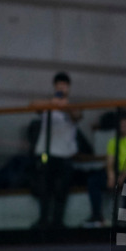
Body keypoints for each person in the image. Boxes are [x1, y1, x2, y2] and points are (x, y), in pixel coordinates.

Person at [31, 71, 82, 229]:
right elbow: (33, 105)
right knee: (44, 189)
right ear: (54, 87)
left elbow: (77, 115)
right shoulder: (48, 106)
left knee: (61, 191)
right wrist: (52, 103)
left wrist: (64, 106)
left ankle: (58, 223)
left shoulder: (72, 106)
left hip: (65, 156)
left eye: (64, 86)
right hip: (46, 154)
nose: (61, 88)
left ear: (69, 88)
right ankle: (43, 220)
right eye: (59, 86)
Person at [85, 109, 126, 227]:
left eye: (125, 123)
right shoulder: (113, 141)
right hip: (117, 172)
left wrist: (122, 176)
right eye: (120, 124)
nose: (123, 126)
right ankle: (97, 216)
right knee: (93, 181)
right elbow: (110, 162)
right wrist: (111, 176)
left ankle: (123, 217)